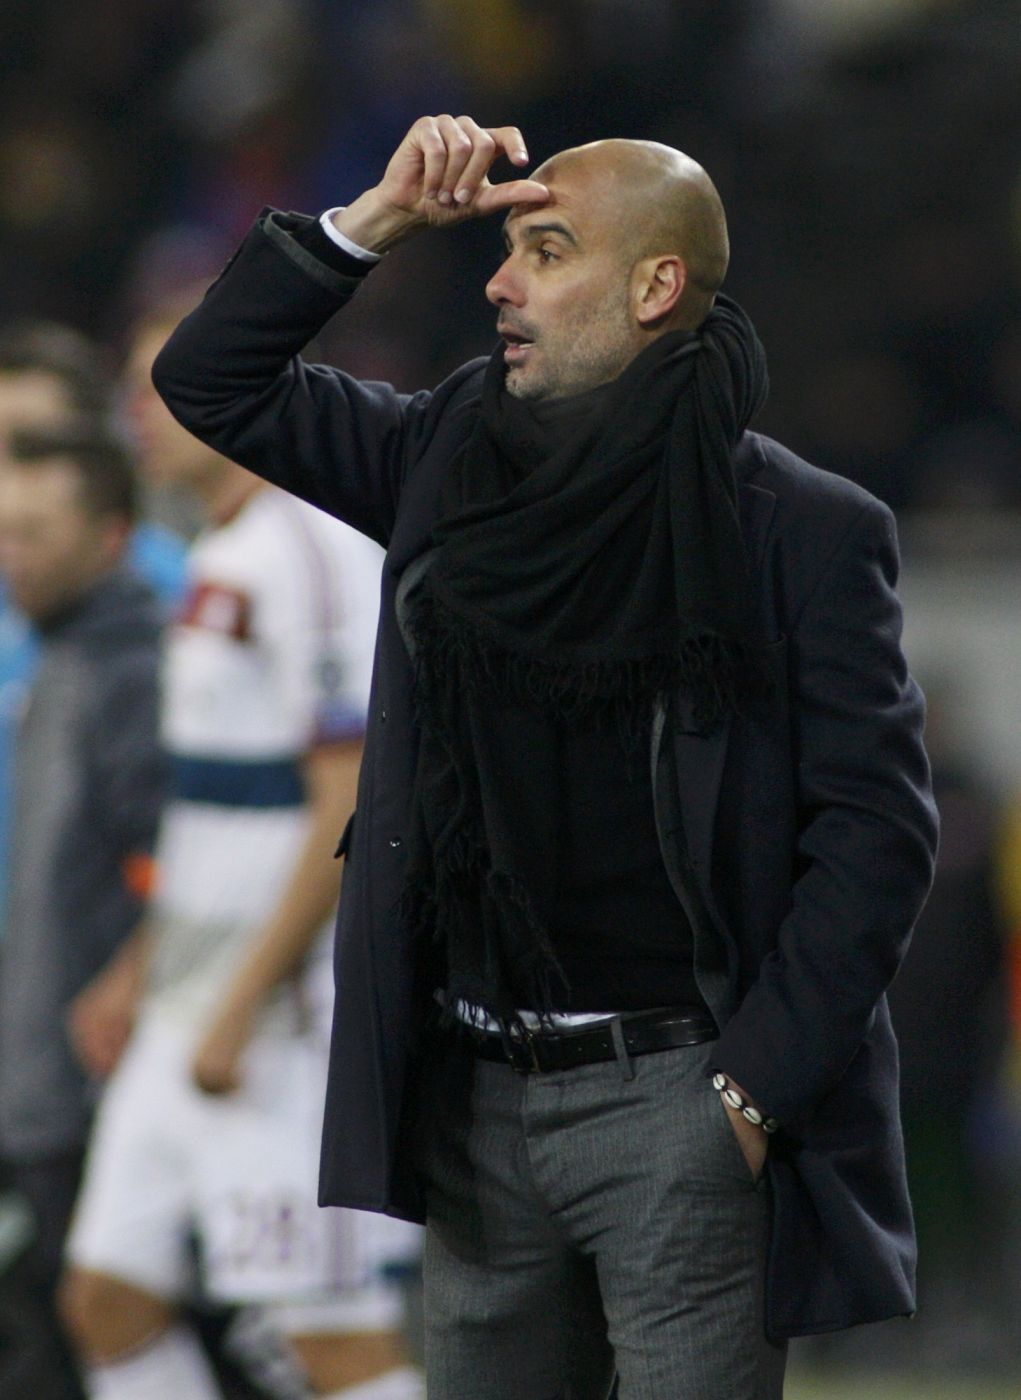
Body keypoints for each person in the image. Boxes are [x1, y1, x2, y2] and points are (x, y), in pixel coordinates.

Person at [151, 116, 939, 1400]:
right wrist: (376, 219)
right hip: (474, 1094)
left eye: (546, 248)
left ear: (654, 287)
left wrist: (745, 1097)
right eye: (507, 247)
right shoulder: (444, 456)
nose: (499, 282)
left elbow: (875, 835)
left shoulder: (796, 527)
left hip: (679, 1093)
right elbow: (211, 381)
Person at [60, 307, 423, 1400]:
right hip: (189, 1001)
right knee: (106, 1299)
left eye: (159, 386)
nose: (137, 413)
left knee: (328, 1336)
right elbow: (212, 808)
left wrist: (238, 1000)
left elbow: (348, 810)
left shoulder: (310, 546)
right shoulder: (211, 554)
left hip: (278, 1020)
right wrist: (142, 971)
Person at [0, 419, 165, 1400]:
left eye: (34, 531)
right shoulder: (61, 657)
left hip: (91, 1087)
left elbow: (171, 864)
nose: (10, 554)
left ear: (110, 536)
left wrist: (123, 987)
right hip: (42, 1077)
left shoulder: (132, 669)